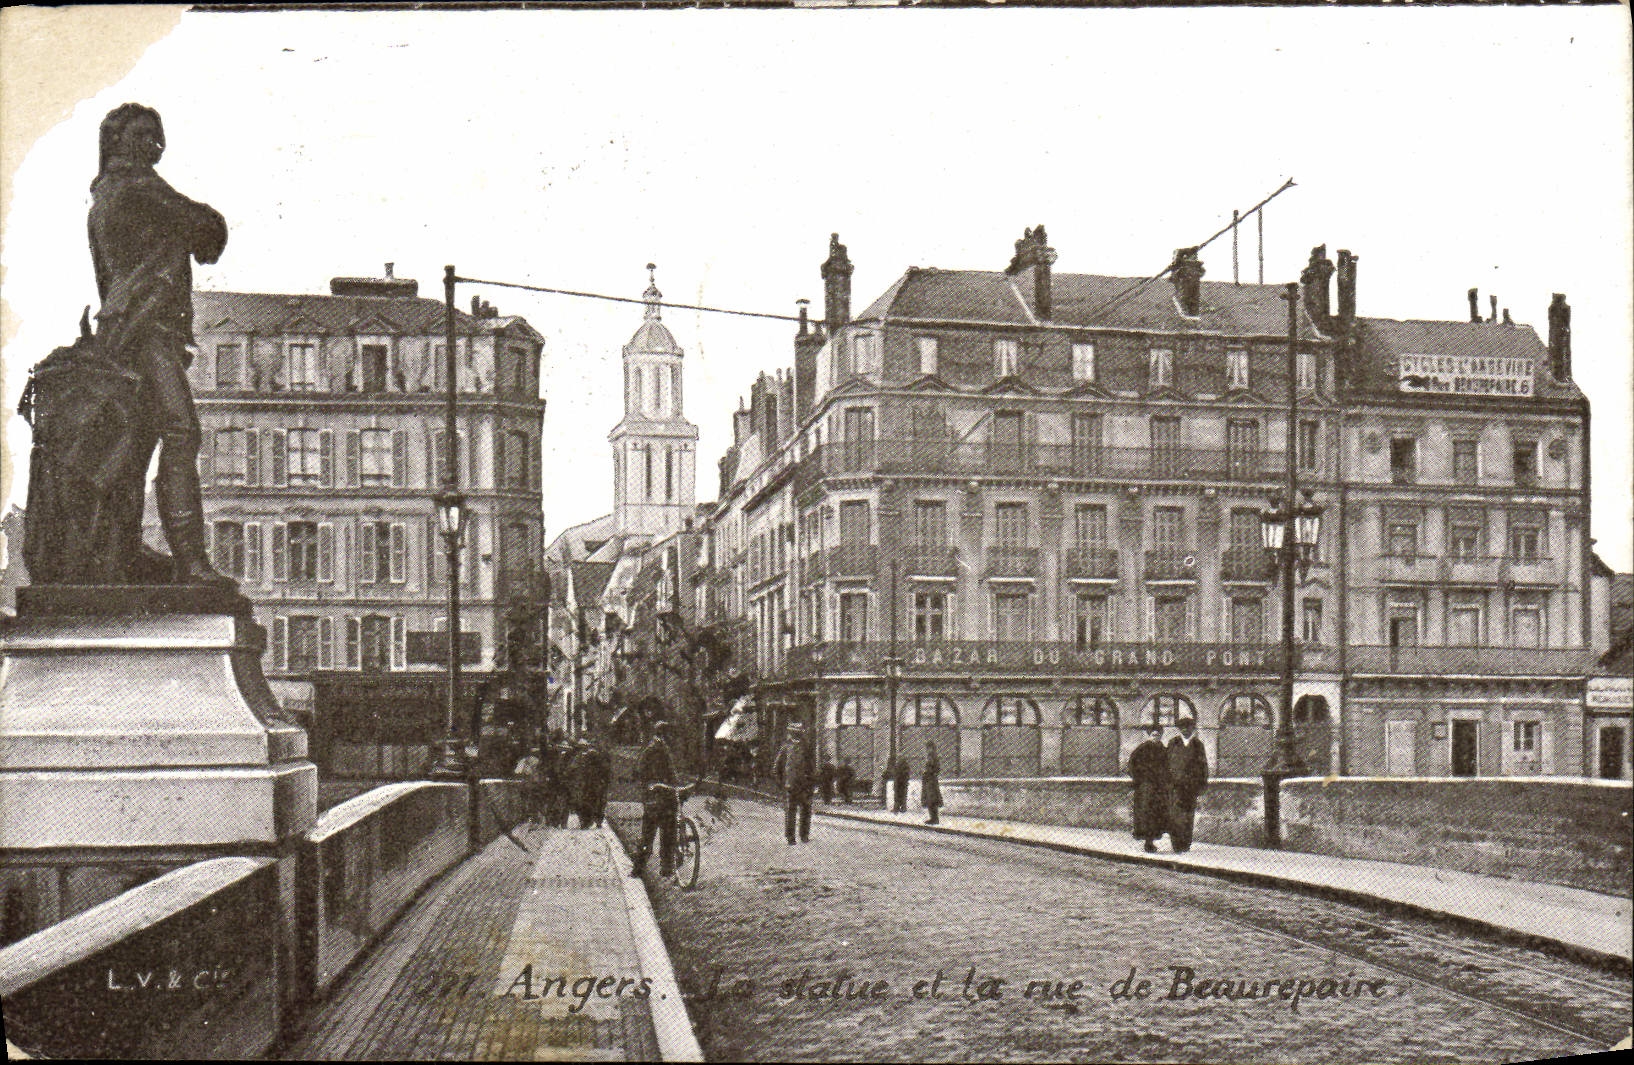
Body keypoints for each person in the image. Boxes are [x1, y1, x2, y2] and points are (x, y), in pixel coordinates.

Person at [83, 103, 234, 587]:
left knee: (137, 446)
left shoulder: (105, 197)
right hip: (144, 328)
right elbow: (206, 228)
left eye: (157, 134)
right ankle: (191, 562)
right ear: (121, 143)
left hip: (126, 330)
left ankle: (123, 549)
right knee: (181, 432)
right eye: (144, 135)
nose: (155, 144)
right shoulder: (137, 185)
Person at [629, 721, 679, 877]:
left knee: (666, 834)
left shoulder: (663, 749)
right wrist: (651, 784)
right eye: (668, 734)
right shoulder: (652, 750)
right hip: (655, 798)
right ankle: (640, 868)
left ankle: (664, 868)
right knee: (651, 835)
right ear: (661, 735)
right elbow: (639, 771)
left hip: (665, 797)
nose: (670, 738)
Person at [1166, 715, 1210, 853]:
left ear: (1192, 728)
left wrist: (1202, 785)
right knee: (1175, 815)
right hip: (1175, 786)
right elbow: (1166, 763)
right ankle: (1176, 843)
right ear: (1179, 729)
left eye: (1188, 727)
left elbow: (1203, 766)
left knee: (1188, 815)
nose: (1185, 730)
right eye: (1182, 728)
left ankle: (1186, 843)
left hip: (1191, 787)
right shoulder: (1173, 743)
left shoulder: (1198, 745)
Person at [771, 722, 816, 845]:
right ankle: (790, 837)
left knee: (806, 810)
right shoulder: (785, 747)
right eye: (794, 732)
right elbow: (776, 768)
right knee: (790, 812)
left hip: (804, 786)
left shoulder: (806, 747)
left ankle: (804, 835)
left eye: (799, 732)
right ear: (791, 733)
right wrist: (781, 783)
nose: (797, 735)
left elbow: (811, 767)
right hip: (790, 786)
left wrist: (811, 783)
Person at [1129, 723, 1171, 852]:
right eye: (1153, 735)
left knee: (1157, 814)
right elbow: (1132, 765)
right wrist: (1140, 778)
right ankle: (1148, 841)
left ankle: (1152, 840)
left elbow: (1168, 766)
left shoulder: (1163, 749)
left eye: (1158, 735)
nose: (1156, 737)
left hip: (1159, 788)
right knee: (1146, 813)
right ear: (1149, 735)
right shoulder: (1142, 748)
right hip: (1146, 787)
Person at [575, 739, 612, 829]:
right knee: (598, 802)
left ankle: (587, 821)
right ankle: (595, 821)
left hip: (590, 784)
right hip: (596, 784)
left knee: (588, 802)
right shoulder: (600, 758)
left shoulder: (585, 760)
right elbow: (607, 772)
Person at [514, 746, 544, 827]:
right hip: (536, 784)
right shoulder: (539, 761)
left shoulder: (524, 760)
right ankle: (536, 820)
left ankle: (526, 819)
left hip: (526, 784)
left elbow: (517, 771)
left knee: (525, 801)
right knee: (535, 801)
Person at [921, 742, 943, 825]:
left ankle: (935, 818)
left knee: (932, 800)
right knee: (929, 800)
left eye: (928, 748)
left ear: (932, 748)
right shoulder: (930, 756)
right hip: (928, 780)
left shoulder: (933, 757)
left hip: (931, 781)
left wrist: (927, 772)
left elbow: (936, 769)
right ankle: (932, 818)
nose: (927, 750)